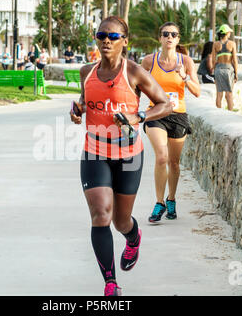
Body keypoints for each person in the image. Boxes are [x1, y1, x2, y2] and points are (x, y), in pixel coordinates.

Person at [69, 16, 172, 296]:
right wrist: (77, 109)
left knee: (120, 221)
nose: (106, 40)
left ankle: (133, 237)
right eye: (101, 35)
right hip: (95, 151)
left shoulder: (135, 72)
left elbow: (165, 104)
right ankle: (111, 284)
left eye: (113, 36)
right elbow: (85, 98)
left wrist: (137, 115)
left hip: (128, 155)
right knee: (101, 214)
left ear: (124, 41)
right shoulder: (85, 71)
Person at [141, 22, 200, 223]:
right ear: (160, 38)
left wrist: (185, 77)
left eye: (173, 34)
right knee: (161, 157)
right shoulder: (149, 61)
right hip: (156, 114)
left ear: (178, 39)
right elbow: (136, 86)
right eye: (165, 34)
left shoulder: (186, 61)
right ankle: (159, 203)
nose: (169, 37)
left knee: (174, 163)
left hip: (178, 116)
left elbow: (197, 91)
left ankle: (171, 199)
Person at [211, 24, 238, 111]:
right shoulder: (232, 44)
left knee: (219, 94)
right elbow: (234, 60)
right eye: (229, 32)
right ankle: (230, 114)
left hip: (218, 69)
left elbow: (213, 61)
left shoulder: (215, 44)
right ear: (227, 33)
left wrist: (214, 72)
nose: (230, 33)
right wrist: (236, 74)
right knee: (229, 94)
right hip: (228, 69)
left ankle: (218, 114)